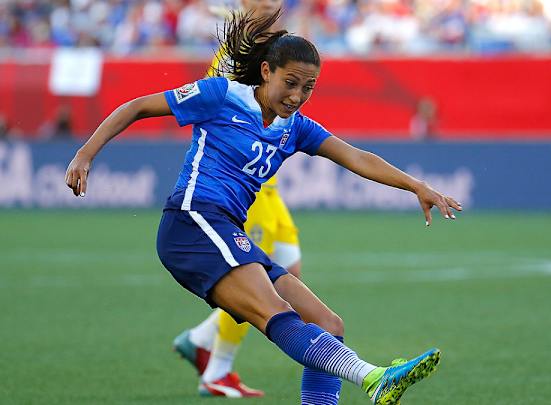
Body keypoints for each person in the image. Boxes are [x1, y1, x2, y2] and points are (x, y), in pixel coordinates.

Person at [65, 10, 461, 405]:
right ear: (267, 71)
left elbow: (356, 157)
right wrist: (85, 154)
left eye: (308, 87)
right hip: (192, 223)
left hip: (226, 229)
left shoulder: (296, 127)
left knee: (327, 324)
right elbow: (137, 107)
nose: (297, 96)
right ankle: (373, 377)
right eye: (290, 83)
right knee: (276, 312)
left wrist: (416, 185)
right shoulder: (220, 95)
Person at [170, 1, 303, 398]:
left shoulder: (269, 46)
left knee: (290, 273)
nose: (274, 7)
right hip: (242, 188)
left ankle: (200, 338)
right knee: (256, 282)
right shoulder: (235, 55)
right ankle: (217, 369)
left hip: (268, 187)